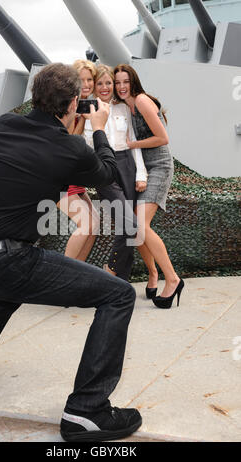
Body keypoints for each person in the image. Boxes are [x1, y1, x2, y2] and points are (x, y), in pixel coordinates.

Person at [0, 63, 142, 442]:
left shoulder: (0, 125)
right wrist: (99, 129)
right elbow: (107, 174)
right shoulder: (67, 148)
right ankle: (87, 412)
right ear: (72, 103)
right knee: (118, 294)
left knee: (14, 284)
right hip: (4, 262)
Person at [113, 63, 184, 309]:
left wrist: (130, 145)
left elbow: (163, 138)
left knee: (140, 225)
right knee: (136, 227)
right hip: (141, 168)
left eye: (125, 82)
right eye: (117, 82)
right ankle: (153, 274)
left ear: (133, 82)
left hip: (160, 166)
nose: (121, 87)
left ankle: (173, 279)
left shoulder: (142, 101)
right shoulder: (123, 107)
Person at [79, 64, 148, 282]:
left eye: (109, 83)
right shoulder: (86, 110)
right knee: (130, 223)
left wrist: (141, 175)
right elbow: (81, 143)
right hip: (102, 168)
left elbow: (133, 142)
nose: (105, 87)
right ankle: (110, 269)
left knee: (124, 226)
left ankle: (122, 280)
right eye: (100, 83)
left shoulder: (123, 108)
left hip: (127, 164)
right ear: (94, 86)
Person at [57, 59, 99, 262]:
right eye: (81, 80)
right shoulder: (66, 107)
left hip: (75, 179)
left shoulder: (89, 108)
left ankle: (77, 274)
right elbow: (69, 142)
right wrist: (81, 117)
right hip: (60, 179)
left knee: (94, 225)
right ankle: (64, 275)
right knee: (87, 224)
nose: (86, 84)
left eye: (90, 79)